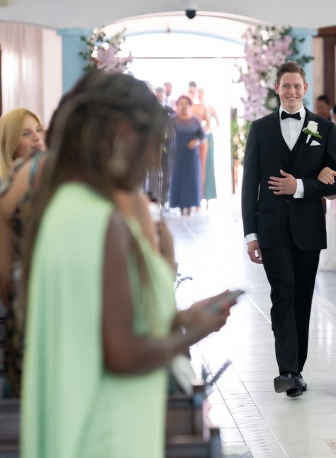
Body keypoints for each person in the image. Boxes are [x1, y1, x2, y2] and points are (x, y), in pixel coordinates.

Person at [20, 71, 235, 458]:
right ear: (121, 135)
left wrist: (181, 316)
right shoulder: (102, 222)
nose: (154, 160)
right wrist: (194, 332)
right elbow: (121, 354)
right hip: (106, 432)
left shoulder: (66, 208)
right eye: (153, 145)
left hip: (89, 425)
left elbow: (94, 327)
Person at [242, 62, 336, 398]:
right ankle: (287, 369)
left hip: (307, 228)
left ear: (304, 88)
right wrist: (250, 234)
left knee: (302, 298)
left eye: (296, 86)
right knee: (282, 295)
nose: (291, 92)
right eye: (285, 86)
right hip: (271, 228)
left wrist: (301, 187)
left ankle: (296, 368)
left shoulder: (324, 128)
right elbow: (249, 185)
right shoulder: (260, 129)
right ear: (277, 89)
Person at [0, 108, 45, 315]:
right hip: (9, 300)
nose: (37, 138)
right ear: (11, 144)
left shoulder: (53, 181)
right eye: (26, 133)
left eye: (38, 129)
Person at [169, 95, 205, 215]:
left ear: (190, 105)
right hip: (177, 153)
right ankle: (179, 205)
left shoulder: (195, 120)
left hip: (191, 154)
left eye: (185, 103)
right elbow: (166, 135)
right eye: (181, 103)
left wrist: (196, 141)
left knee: (191, 179)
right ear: (177, 105)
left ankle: (190, 204)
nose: (183, 105)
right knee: (178, 178)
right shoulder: (173, 119)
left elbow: (202, 135)